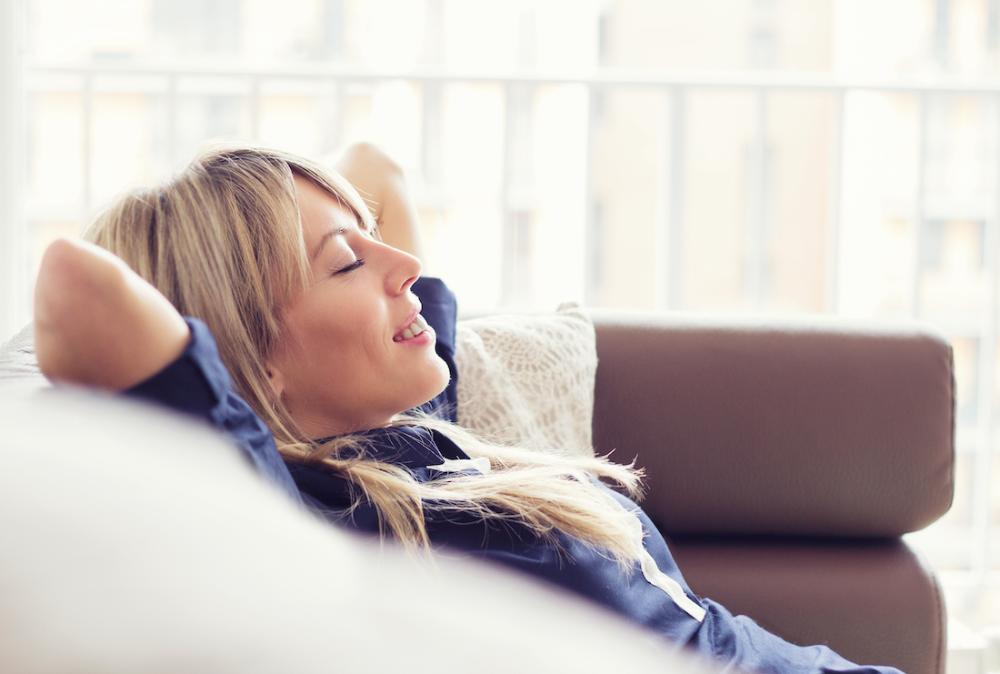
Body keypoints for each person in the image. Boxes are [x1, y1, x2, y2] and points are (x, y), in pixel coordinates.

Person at [33, 143, 903, 674]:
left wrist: (284, 211)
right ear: (250, 355)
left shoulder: (410, 434)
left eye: (372, 238)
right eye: (348, 264)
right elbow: (75, 285)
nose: (405, 264)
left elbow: (377, 164)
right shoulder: (306, 518)